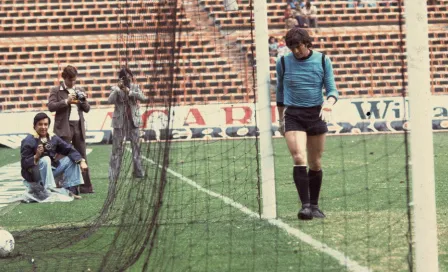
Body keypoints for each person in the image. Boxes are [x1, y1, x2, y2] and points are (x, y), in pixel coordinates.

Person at [276, 28, 339, 220]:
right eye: (292, 48)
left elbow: (332, 90)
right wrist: (280, 119)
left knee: (315, 162)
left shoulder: (322, 60)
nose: (296, 51)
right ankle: (304, 206)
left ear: (307, 43)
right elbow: (280, 91)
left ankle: (314, 205)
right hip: (293, 114)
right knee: (298, 157)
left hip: (316, 114)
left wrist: (328, 103)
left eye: (299, 47)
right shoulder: (283, 62)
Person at [48, 65, 94, 194]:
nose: (72, 82)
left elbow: (87, 109)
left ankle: (86, 187)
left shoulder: (79, 89)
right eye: (70, 80)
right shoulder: (56, 90)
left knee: (82, 156)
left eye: (74, 80)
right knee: (62, 156)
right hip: (63, 127)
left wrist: (82, 100)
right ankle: (61, 185)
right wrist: (66, 101)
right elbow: (51, 107)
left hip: (78, 125)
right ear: (64, 78)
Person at [20, 113, 88, 200]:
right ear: (34, 126)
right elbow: (24, 164)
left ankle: (70, 190)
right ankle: (48, 191)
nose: (43, 127)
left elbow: (68, 148)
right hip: (35, 175)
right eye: (40, 124)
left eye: (46, 124)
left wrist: (81, 161)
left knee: (72, 159)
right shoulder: (28, 140)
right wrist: (36, 156)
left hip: (51, 171)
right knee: (45, 159)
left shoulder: (52, 138)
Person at [108, 67, 147, 182]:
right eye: (125, 78)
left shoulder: (135, 87)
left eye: (129, 77)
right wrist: (117, 89)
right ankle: (113, 175)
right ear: (120, 78)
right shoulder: (115, 88)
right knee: (116, 149)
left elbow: (143, 98)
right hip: (119, 123)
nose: (128, 79)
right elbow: (109, 100)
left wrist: (129, 92)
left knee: (136, 148)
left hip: (133, 122)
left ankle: (138, 172)